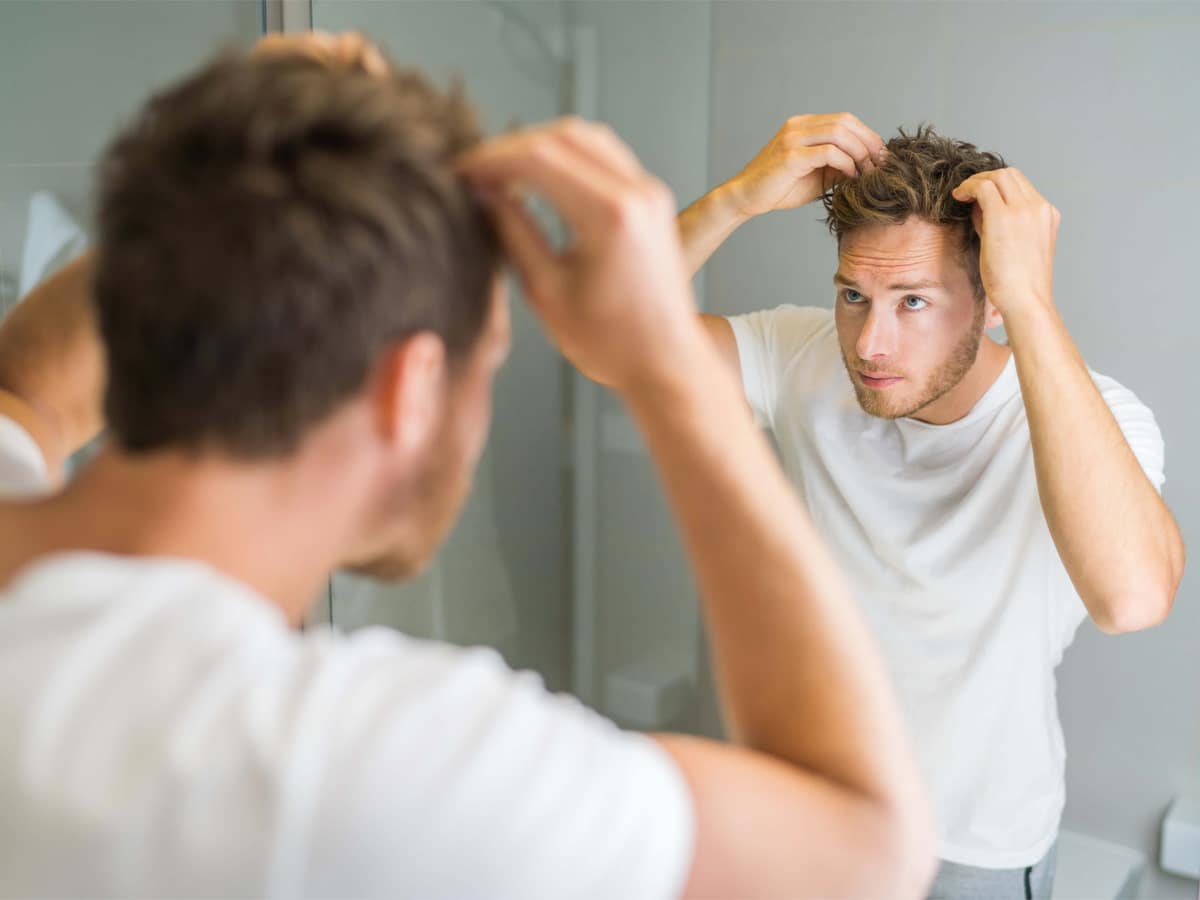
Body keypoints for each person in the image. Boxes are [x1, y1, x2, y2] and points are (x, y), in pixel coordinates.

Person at [0, 34, 936, 897]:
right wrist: (661, 363)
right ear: (410, 388)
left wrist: (233, 168)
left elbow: (28, 389)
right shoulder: (359, 768)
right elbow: (868, 845)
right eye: (487, 357)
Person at [679, 114, 1186, 898]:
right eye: (854, 294)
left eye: (912, 301)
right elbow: (603, 338)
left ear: (988, 303)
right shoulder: (802, 357)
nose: (871, 344)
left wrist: (1032, 304)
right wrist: (733, 200)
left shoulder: (1095, 416)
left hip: (971, 851)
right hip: (810, 814)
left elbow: (1132, 598)